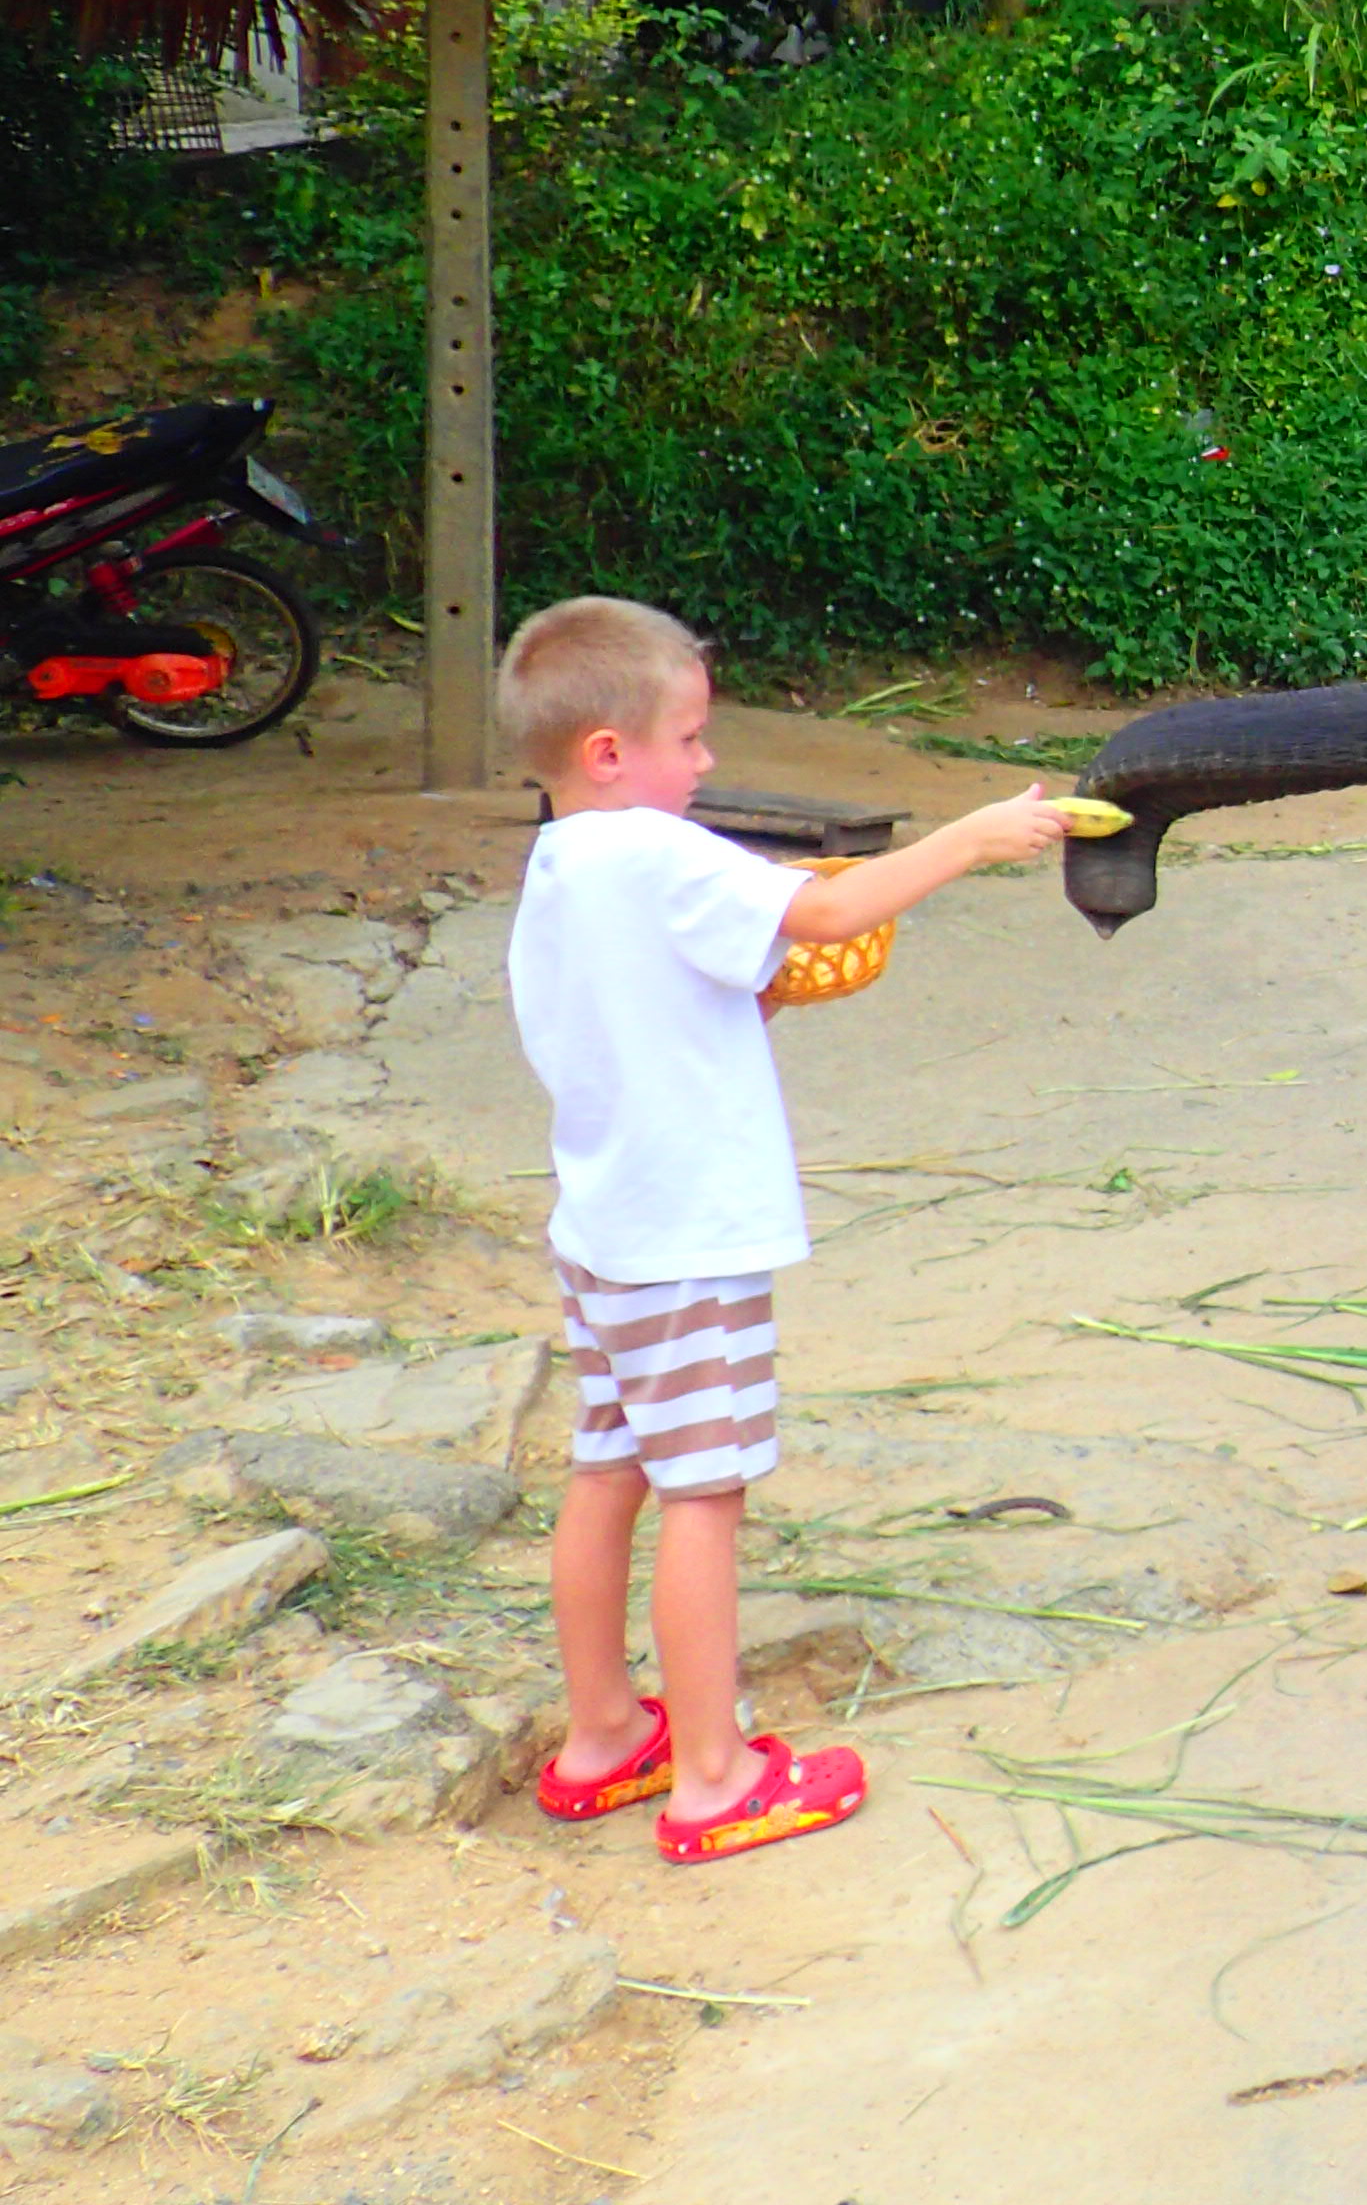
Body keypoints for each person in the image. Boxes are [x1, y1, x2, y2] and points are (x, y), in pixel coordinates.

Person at [499, 595, 1074, 1862]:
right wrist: (975, 839)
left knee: (612, 1471)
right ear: (609, 753)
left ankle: (605, 1736)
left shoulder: (563, 864)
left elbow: (655, 1015)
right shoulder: (660, 852)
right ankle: (711, 1779)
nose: (705, 765)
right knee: (705, 1496)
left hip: (605, 1226)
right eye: (691, 739)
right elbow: (825, 911)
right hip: (690, 1240)